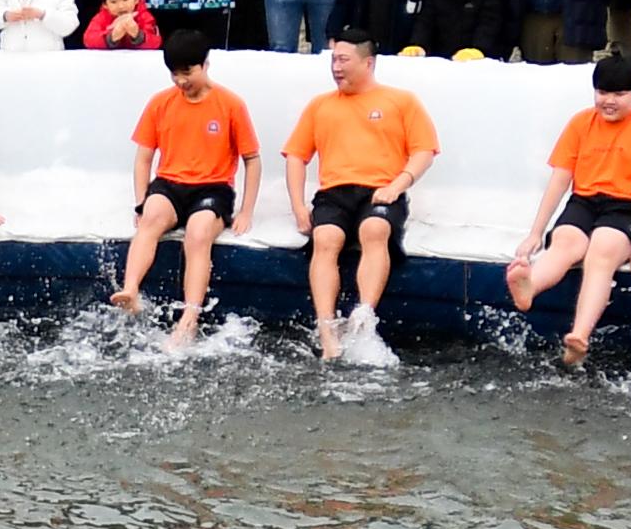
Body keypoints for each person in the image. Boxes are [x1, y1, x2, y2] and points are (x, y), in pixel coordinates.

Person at [280, 33, 438, 365]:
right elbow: (296, 156)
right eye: (333, 60)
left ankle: (364, 317)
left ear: (368, 63)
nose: (336, 68)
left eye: (344, 60)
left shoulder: (400, 100)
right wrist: (298, 206)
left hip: (381, 189)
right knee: (326, 238)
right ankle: (327, 330)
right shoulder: (320, 105)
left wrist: (399, 184)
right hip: (335, 192)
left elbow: (424, 150)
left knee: (374, 230)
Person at [504, 57, 631, 368]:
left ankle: (579, 336)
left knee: (601, 251)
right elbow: (560, 180)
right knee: (565, 242)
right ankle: (529, 287)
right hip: (585, 200)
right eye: (603, 92)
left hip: (625, 206)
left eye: (619, 94)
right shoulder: (581, 122)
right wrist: (536, 232)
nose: (609, 101)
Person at [110, 23, 256, 349]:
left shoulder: (230, 104)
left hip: (213, 186)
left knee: (198, 232)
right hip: (171, 182)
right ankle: (130, 289)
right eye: (174, 73)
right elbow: (143, 158)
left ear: (205, 64)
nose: (180, 81)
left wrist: (245, 210)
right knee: (150, 218)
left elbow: (252, 159)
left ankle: (190, 316)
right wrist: (140, 200)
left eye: (187, 72)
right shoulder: (161, 103)